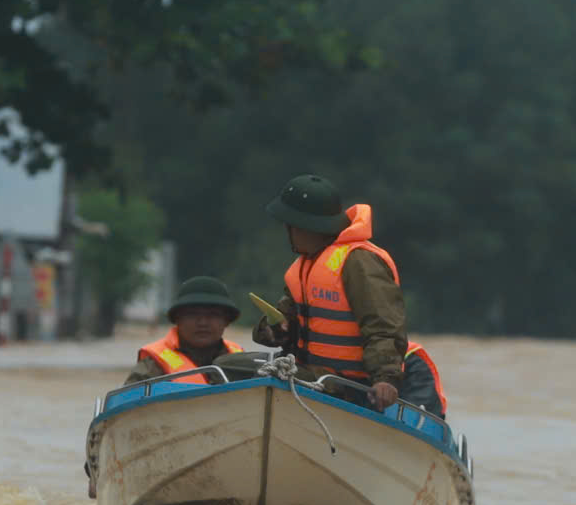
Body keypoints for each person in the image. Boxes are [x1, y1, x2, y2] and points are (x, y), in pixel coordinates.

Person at [255, 174, 447, 415]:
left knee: (236, 368)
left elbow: (383, 324)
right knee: (229, 366)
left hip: (349, 387)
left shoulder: (359, 261)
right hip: (311, 378)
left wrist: (385, 378)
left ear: (303, 225)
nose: (287, 231)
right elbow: (289, 314)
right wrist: (275, 329)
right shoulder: (305, 265)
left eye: (289, 225)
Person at [126, 276, 247, 384]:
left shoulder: (240, 359)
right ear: (177, 319)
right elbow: (128, 406)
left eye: (213, 314)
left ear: (226, 321)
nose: (202, 322)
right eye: (192, 314)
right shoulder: (153, 364)